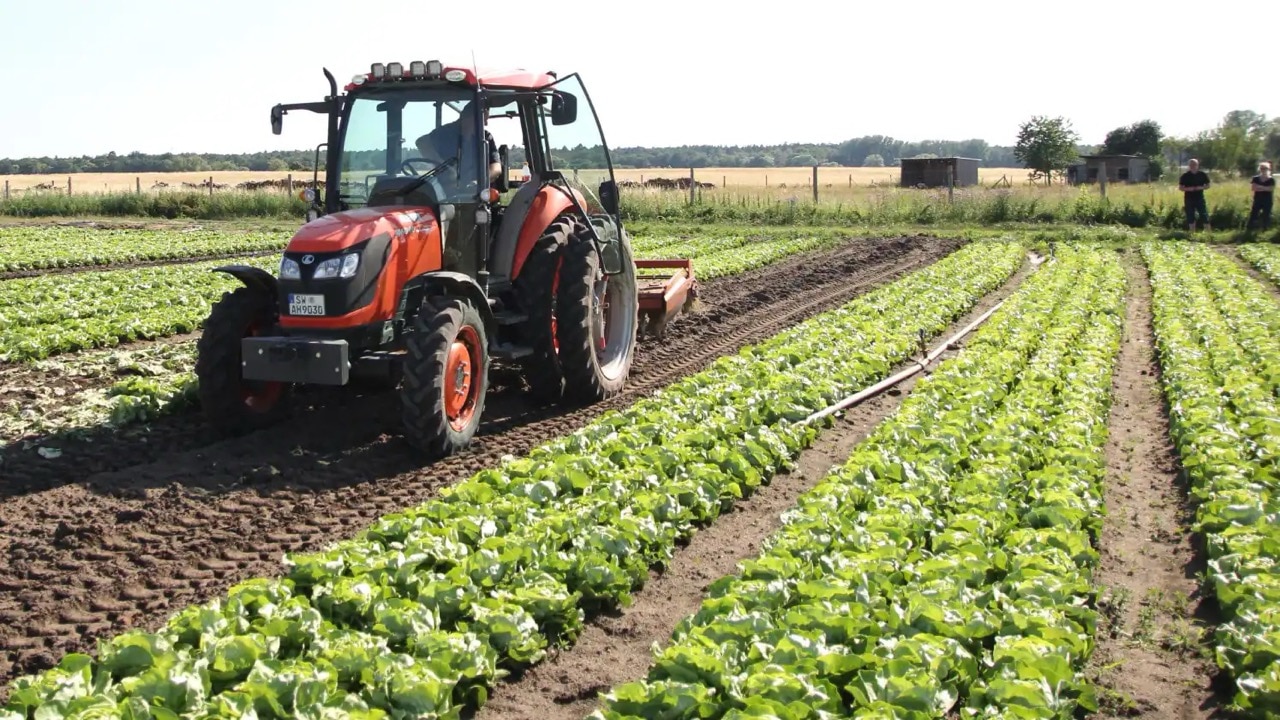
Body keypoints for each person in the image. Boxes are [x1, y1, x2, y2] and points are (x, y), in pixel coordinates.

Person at [414, 101, 501, 190]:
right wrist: (442, 165)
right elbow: (421, 142)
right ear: (469, 118)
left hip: (476, 192)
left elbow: (496, 168)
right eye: (483, 120)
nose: (486, 124)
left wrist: (479, 182)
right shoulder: (445, 133)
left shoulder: (485, 137)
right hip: (446, 190)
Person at [1178, 158, 1211, 232]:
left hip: (1200, 197)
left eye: (1194, 164)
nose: (1193, 166)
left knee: (1204, 214)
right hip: (1189, 198)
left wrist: (1201, 187)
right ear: (1189, 166)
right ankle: (1192, 233)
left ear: (1197, 165)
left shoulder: (1202, 175)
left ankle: (1208, 233)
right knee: (1190, 215)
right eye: (1191, 165)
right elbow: (1180, 187)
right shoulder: (1185, 176)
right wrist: (1189, 189)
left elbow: (1208, 185)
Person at [1248, 161, 1274, 231]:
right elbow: (1253, 188)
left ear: (1268, 169)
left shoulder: (1271, 179)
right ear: (1259, 169)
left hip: (1267, 200)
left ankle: (1265, 229)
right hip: (1257, 199)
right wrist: (1264, 188)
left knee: (1266, 214)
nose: (1263, 170)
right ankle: (1251, 228)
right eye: (1262, 168)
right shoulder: (1255, 178)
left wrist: (1259, 187)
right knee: (1254, 213)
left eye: (1265, 168)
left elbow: (1270, 189)